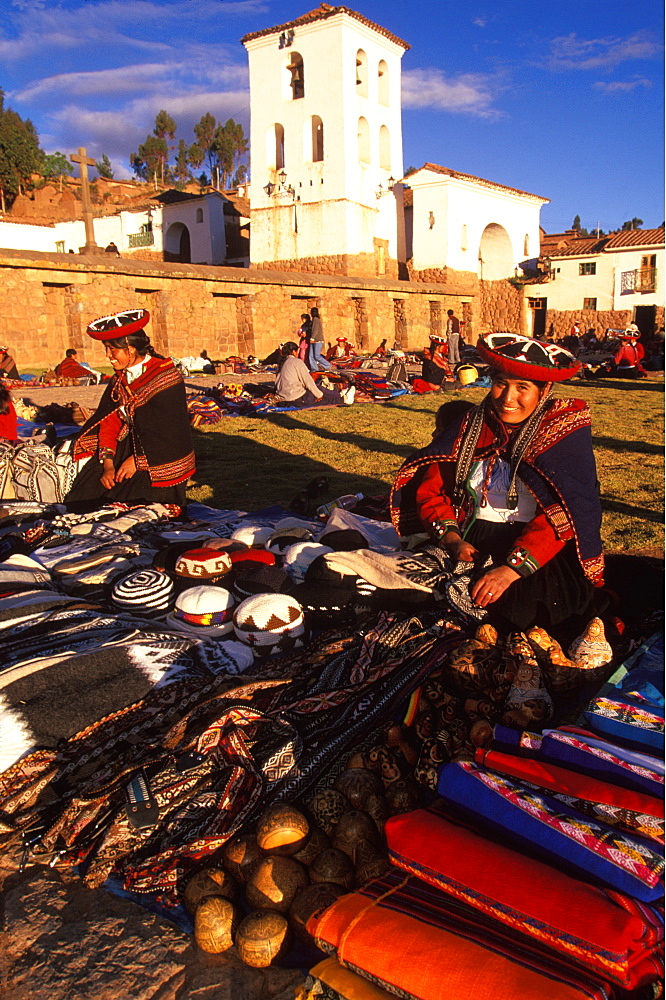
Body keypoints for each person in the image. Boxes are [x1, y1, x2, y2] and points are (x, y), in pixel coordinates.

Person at [391, 333, 605, 639]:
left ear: (544, 390)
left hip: (536, 546)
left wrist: (510, 570)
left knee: (517, 617)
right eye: (501, 383)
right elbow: (433, 491)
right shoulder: (469, 427)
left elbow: (565, 515)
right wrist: (451, 539)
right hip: (470, 535)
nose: (507, 398)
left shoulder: (561, 435)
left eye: (523, 388)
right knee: (411, 594)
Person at [65, 310, 195, 509]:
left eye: (111, 349)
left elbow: (170, 432)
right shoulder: (120, 379)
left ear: (130, 348)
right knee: (83, 497)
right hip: (128, 444)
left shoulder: (166, 377)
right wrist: (108, 463)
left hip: (160, 455)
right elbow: (110, 421)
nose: (108, 356)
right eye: (106, 349)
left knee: (138, 507)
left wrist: (137, 461)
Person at [275, 342, 354, 407]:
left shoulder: (281, 364)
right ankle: (343, 399)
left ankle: (340, 395)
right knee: (321, 395)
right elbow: (308, 381)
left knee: (316, 390)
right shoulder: (296, 362)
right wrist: (319, 395)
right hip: (296, 399)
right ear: (294, 351)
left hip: (284, 400)